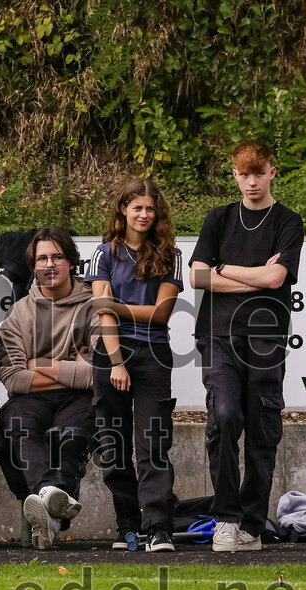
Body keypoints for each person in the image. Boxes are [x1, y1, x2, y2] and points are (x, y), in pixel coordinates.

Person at [189, 140, 304, 552]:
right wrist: (256, 272)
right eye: (243, 174)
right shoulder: (218, 218)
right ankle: (225, 517)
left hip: (265, 339)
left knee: (261, 431)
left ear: (273, 171)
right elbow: (198, 278)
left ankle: (252, 526)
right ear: (234, 174)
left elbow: (277, 280)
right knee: (224, 416)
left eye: (259, 173)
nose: (251, 181)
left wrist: (225, 270)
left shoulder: (289, 222)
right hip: (218, 334)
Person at [86, 178, 183, 552]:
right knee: (113, 445)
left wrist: (116, 305)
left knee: (153, 444)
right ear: (122, 209)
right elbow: (100, 313)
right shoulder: (104, 253)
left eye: (150, 208)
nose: (143, 214)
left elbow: (161, 314)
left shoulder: (170, 255)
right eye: (136, 207)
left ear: (157, 213)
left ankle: (158, 528)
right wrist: (116, 362)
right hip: (111, 357)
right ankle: (129, 528)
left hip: (154, 355)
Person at [0, 227, 99, 549]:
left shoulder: (93, 307)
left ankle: (50, 512)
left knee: (67, 437)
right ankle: (51, 496)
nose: (49, 264)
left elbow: (96, 374)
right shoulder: (19, 313)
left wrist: (41, 364)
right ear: (33, 265)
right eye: (42, 258)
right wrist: (70, 369)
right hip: (30, 400)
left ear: (71, 262)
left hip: (79, 398)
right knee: (19, 427)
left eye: (57, 256)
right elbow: (12, 377)